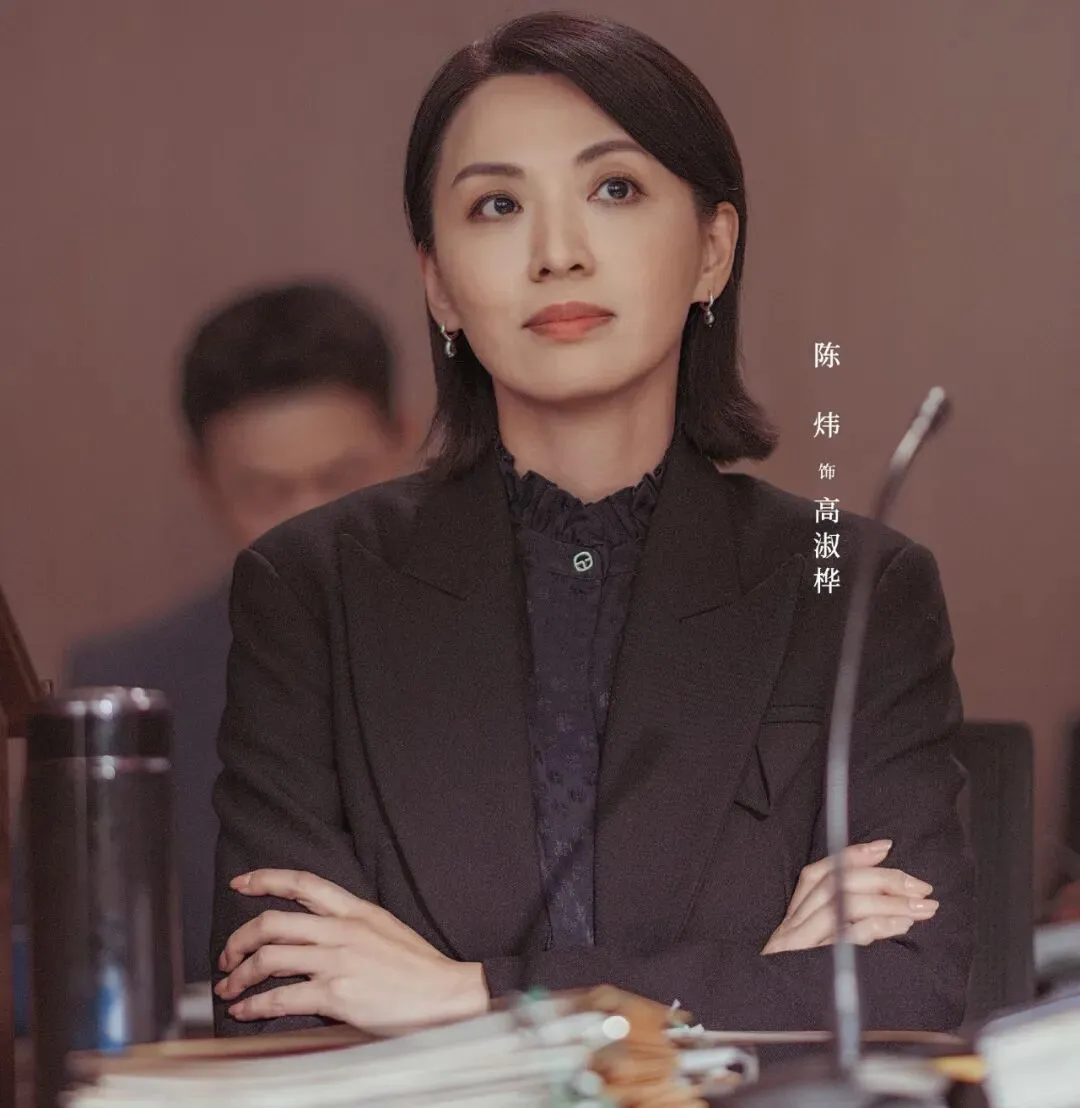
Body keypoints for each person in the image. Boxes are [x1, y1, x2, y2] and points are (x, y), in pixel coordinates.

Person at [210, 12, 974, 1039]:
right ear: (438, 284)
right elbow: (276, 1003)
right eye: (496, 205)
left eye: (613, 190)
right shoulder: (310, 587)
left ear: (713, 251)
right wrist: (739, 979)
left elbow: (902, 992)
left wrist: (469, 994)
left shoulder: (855, 585)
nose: (557, 254)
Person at [64, 281, 412, 986]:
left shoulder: (504, 642)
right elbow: (69, 966)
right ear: (203, 481)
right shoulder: (129, 689)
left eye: (342, 477)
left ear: (403, 440)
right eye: (266, 491)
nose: (310, 521)